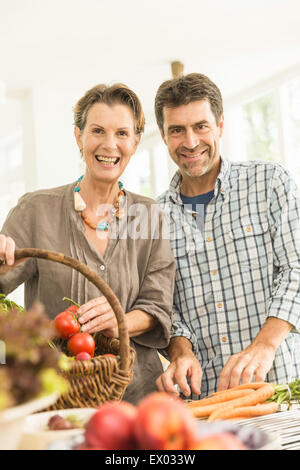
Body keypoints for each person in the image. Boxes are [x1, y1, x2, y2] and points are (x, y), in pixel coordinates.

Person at [0, 83, 176, 405]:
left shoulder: (150, 215)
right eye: (97, 130)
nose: (110, 145)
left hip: (137, 398)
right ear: (79, 136)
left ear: (136, 142)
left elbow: (158, 309)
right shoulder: (36, 210)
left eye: (122, 133)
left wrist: (118, 320)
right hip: (58, 398)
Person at [154, 73, 300, 399]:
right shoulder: (155, 216)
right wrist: (180, 352)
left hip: (281, 387)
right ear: (164, 136)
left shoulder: (269, 182)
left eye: (201, 126)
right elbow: (165, 305)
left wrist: (263, 346)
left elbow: (297, 269)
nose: (190, 142)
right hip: (206, 398)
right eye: (177, 130)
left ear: (220, 125)